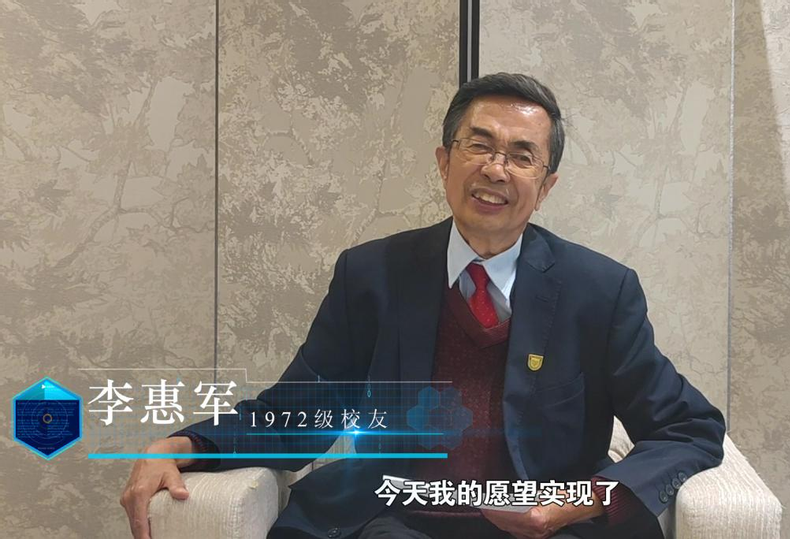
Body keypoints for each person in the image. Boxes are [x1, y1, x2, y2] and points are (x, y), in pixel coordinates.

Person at [120, 72, 725, 539]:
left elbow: (688, 427)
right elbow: (301, 412)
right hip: (396, 519)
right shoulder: (372, 274)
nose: (496, 169)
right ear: (443, 161)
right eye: (479, 145)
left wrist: (580, 501)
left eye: (521, 156)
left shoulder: (599, 290)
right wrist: (183, 446)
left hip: (545, 529)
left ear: (545, 187)